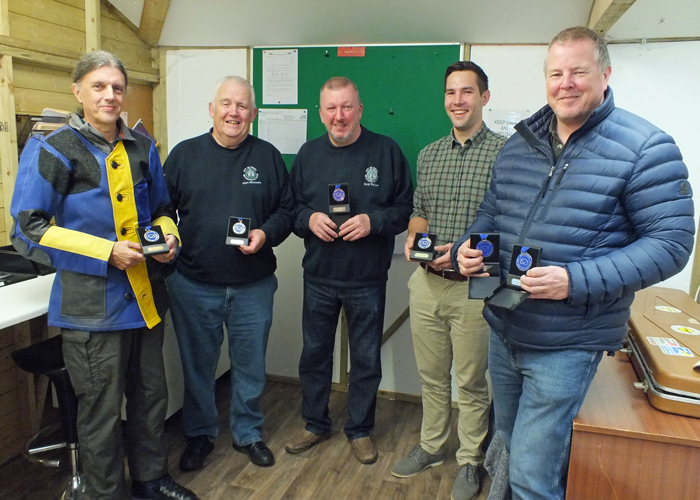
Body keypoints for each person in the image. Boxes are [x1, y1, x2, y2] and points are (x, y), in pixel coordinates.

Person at [451, 27, 694, 500]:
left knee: (532, 475)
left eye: (578, 72)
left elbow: (671, 243)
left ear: (604, 74)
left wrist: (573, 280)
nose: (566, 83)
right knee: (503, 448)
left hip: (566, 345)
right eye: (556, 73)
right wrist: (471, 246)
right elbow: (491, 214)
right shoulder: (519, 144)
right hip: (505, 327)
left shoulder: (645, 147)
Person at [10, 51, 198, 500]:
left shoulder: (142, 146)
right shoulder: (54, 149)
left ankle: (151, 479)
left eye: (117, 86)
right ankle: (106, 493)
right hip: (92, 311)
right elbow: (28, 228)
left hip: (146, 300)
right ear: (78, 91)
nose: (109, 95)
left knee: (152, 398)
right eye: (99, 86)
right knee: (100, 411)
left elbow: (162, 209)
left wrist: (167, 239)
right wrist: (105, 253)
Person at [163, 76, 294, 470]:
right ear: (212, 110)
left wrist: (265, 233)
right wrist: (166, 238)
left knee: (250, 364)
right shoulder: (184, 155)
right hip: (193, 284)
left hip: (252, 286)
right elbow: (161, 210)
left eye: (242, 106)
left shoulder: (269, 157)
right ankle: (200, 435)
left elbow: (286, 212)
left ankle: (247, 433)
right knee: (198, 367)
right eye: (226, 104)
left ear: (253, 114)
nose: (233, 112)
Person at [391, 61, 505, 500]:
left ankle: (471, 461)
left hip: (475, 289)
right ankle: (432, 446)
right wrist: (415, 235)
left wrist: (475, 254)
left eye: (467, 92)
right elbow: (420, 208)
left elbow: (512, 221)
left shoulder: (504, 153)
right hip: (426, 283)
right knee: (432, 376)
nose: (457, 101)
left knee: (472, 381)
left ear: (484, 98)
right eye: (451, 93)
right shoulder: (430, 153)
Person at [285, 77, 413, 464]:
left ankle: (359, 429)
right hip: (320, 277)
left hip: (367, 279)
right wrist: (309, 220)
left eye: (346, 107)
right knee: (314, 356)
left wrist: (373, 222)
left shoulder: (387, 152)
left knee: (366, 359)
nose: (338, 116)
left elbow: (405, 209)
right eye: (331, 108)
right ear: (321, 113)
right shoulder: (307, 155)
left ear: (360, 109)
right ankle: (314, 423)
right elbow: (290, 210)